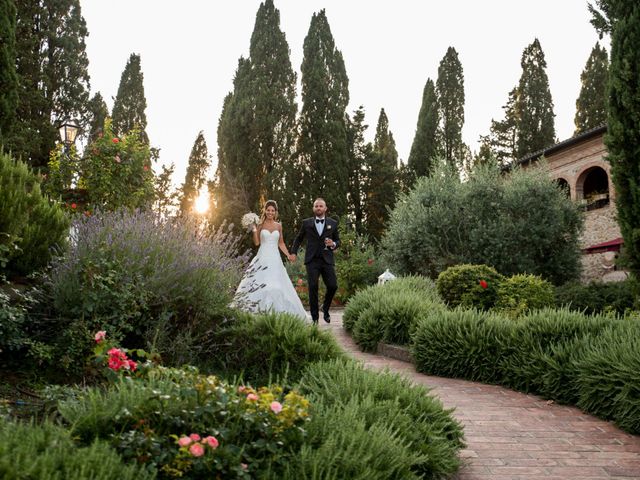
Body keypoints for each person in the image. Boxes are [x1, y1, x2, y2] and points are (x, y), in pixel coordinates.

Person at [232, 200, 307, 320]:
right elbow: (257, 243)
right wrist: (254, 229)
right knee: (260, 285)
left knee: (276, 285)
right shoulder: (260, 224)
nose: (270, 212)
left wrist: (288, 255)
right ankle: (257, 314)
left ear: (275, 212)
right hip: (262, 258)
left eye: (272, 210)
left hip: (275, 259)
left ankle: (277, 314)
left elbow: (281, 243)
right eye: (268, 210)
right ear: (265, 211)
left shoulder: (278, 226)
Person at [290, 198, 340, 324]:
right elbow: (298, 238)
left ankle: (325, 307)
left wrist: (333, 243)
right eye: (316, 206)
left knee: (333, 286)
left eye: (321, 206)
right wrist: (293, 252)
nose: (318, 208)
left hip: (327, 259)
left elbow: (338, 241)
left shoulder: (333, 223)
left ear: (325, 208)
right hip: (312, 260)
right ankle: (315, 318)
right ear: (313, 208)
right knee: (313, 287)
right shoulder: (306, 223)